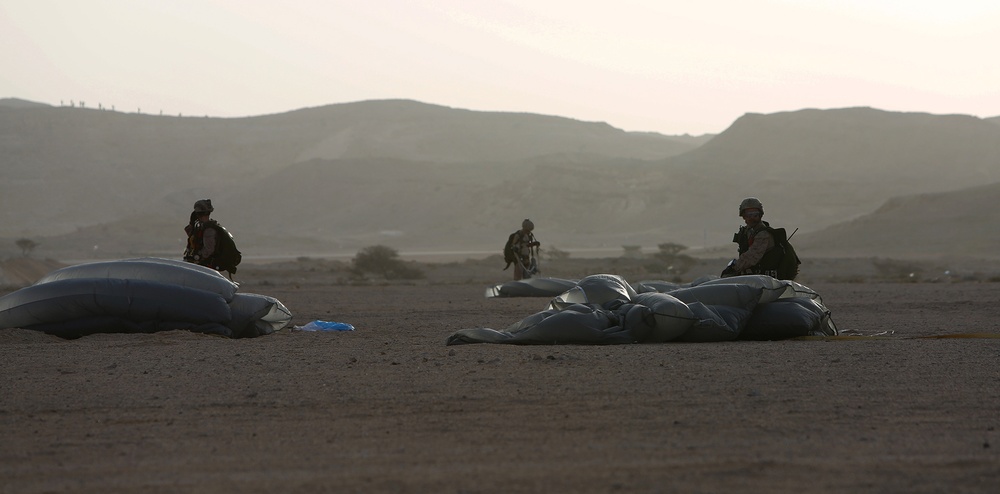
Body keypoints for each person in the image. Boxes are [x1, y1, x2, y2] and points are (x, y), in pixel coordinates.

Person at [722, 197, 781, 278]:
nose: (752, 218)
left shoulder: (763, 234)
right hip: (752, 276)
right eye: (749, 215)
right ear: (743, 216)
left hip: (764, 279)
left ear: (760, 215)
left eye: (755, 215)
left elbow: (752, 256)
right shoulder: (747, 231)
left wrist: (735, 268)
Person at [183, 199, 241, 276]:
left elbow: (208, 250)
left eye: (201, 214)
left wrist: (197, 258)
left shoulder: (209, 230)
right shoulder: (201, 227)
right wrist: (191, 224)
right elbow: (193, 237)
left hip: (208, 266)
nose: (200, 216)